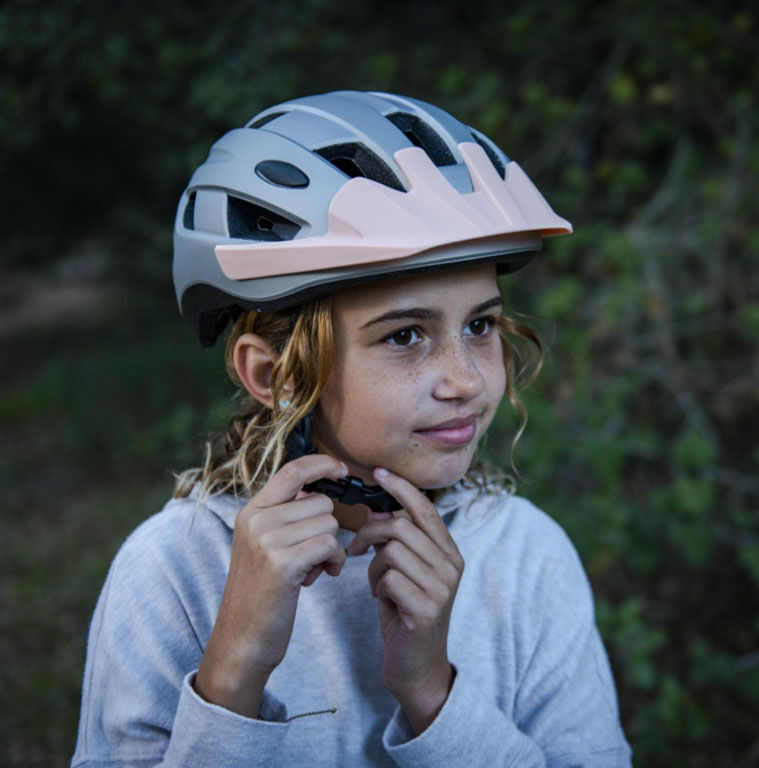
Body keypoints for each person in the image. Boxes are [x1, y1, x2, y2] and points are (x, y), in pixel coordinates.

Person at [71, 90, 632, 767]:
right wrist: (233, 673)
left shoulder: (528, 558)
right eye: (404, 336)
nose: (469, 380)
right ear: (275, 376)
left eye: (480, 325)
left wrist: (432, 692)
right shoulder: (172, 571)